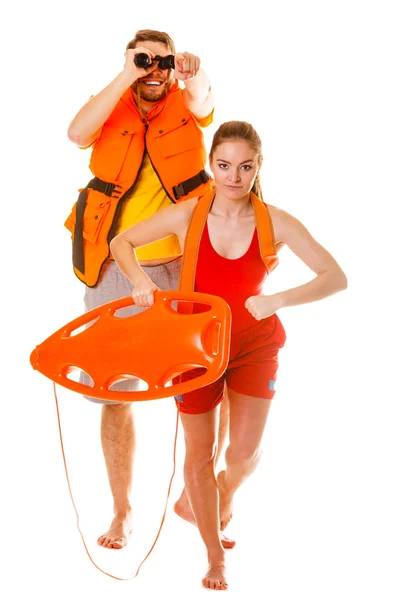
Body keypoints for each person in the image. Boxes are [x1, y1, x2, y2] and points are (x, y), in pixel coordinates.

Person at [110, 120, 348, 590]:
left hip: (254, 345)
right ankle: (214, 556)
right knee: (199, 455)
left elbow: (334, 276)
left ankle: (222, 492)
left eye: (244, 166)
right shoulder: (188, 214)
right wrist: (140, 281)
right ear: (211, 166)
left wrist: (277, 300)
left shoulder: (275, 220)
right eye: (223, 166)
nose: (234, 177)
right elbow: (123, 242)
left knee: (244, 453)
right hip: (194, 347)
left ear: (258, 166)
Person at [64, 29, 216, 551]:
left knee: (201, 385)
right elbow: (76, 132)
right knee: (114, 390)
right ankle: (122, 511)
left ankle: (195, 497)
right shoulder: (110, 102)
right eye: (143, 61)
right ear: (129, 60)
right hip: (113, 265)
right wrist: (129, 73)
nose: (154, 71)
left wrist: (192, 74)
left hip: (183, 261)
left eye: (161, 62)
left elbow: (205, 100)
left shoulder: (185, 100)